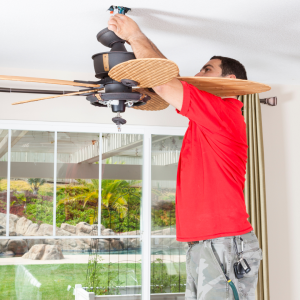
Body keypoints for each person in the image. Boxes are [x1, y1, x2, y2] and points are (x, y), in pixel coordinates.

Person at [108, 14, 263, 300]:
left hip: (224, 240)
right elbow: (168, 80)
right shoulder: (205, 118)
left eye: (207, 69)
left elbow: (166, 84)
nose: (198, 74)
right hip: (207, 241)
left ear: (229, 80)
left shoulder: (225, 111)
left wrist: (135, 36)